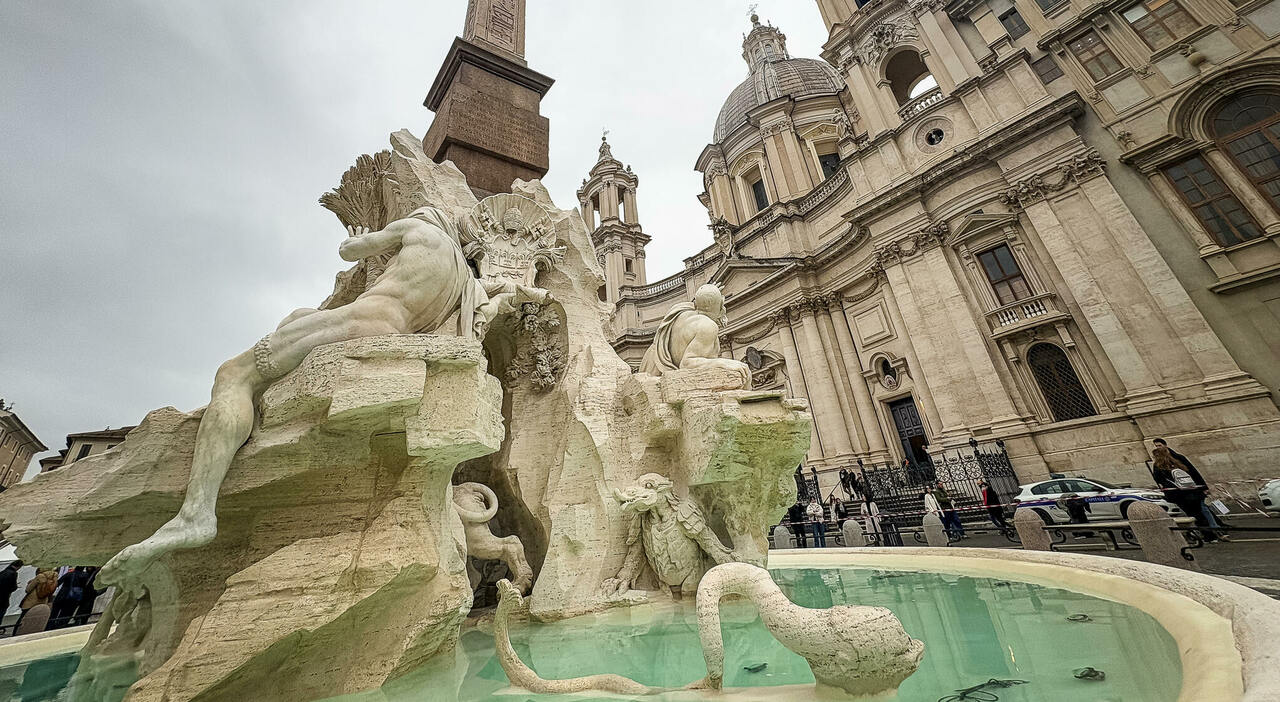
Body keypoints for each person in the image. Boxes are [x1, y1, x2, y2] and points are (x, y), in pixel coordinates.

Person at [98, 207, 552, 590]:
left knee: (235, 374)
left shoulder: (418, 230)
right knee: (299, 318)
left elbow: (351, 251)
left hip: (364, 320)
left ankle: (196, 512)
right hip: (391, 329)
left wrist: (359, 238)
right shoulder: (460, 280)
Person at [1153, 438, 1227, 537]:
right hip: (1192, 491)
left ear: (1165, 446)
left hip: (1182, 494)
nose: (1158, 448)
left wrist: (1203, 487)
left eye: (1159, 446)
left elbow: (1159, 479)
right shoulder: (1177, 460)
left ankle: (1210, 533)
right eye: (1156, 446)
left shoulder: (1163, 464)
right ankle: (1216, 529)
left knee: (1197, 513)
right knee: (1202, 511)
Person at [14, 568, 55, 635]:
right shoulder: (53, 578)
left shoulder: (39, 577)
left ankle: (16, 634)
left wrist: (30, 582)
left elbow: (28, 590)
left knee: (22, 619)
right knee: (37, 620)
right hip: (43, 601)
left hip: (32, 601)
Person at [0, 562, 21, 626]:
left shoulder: (3, 572)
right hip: (4, 598)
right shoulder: (13, 574)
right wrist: (16, 586)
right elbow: (12, 587)